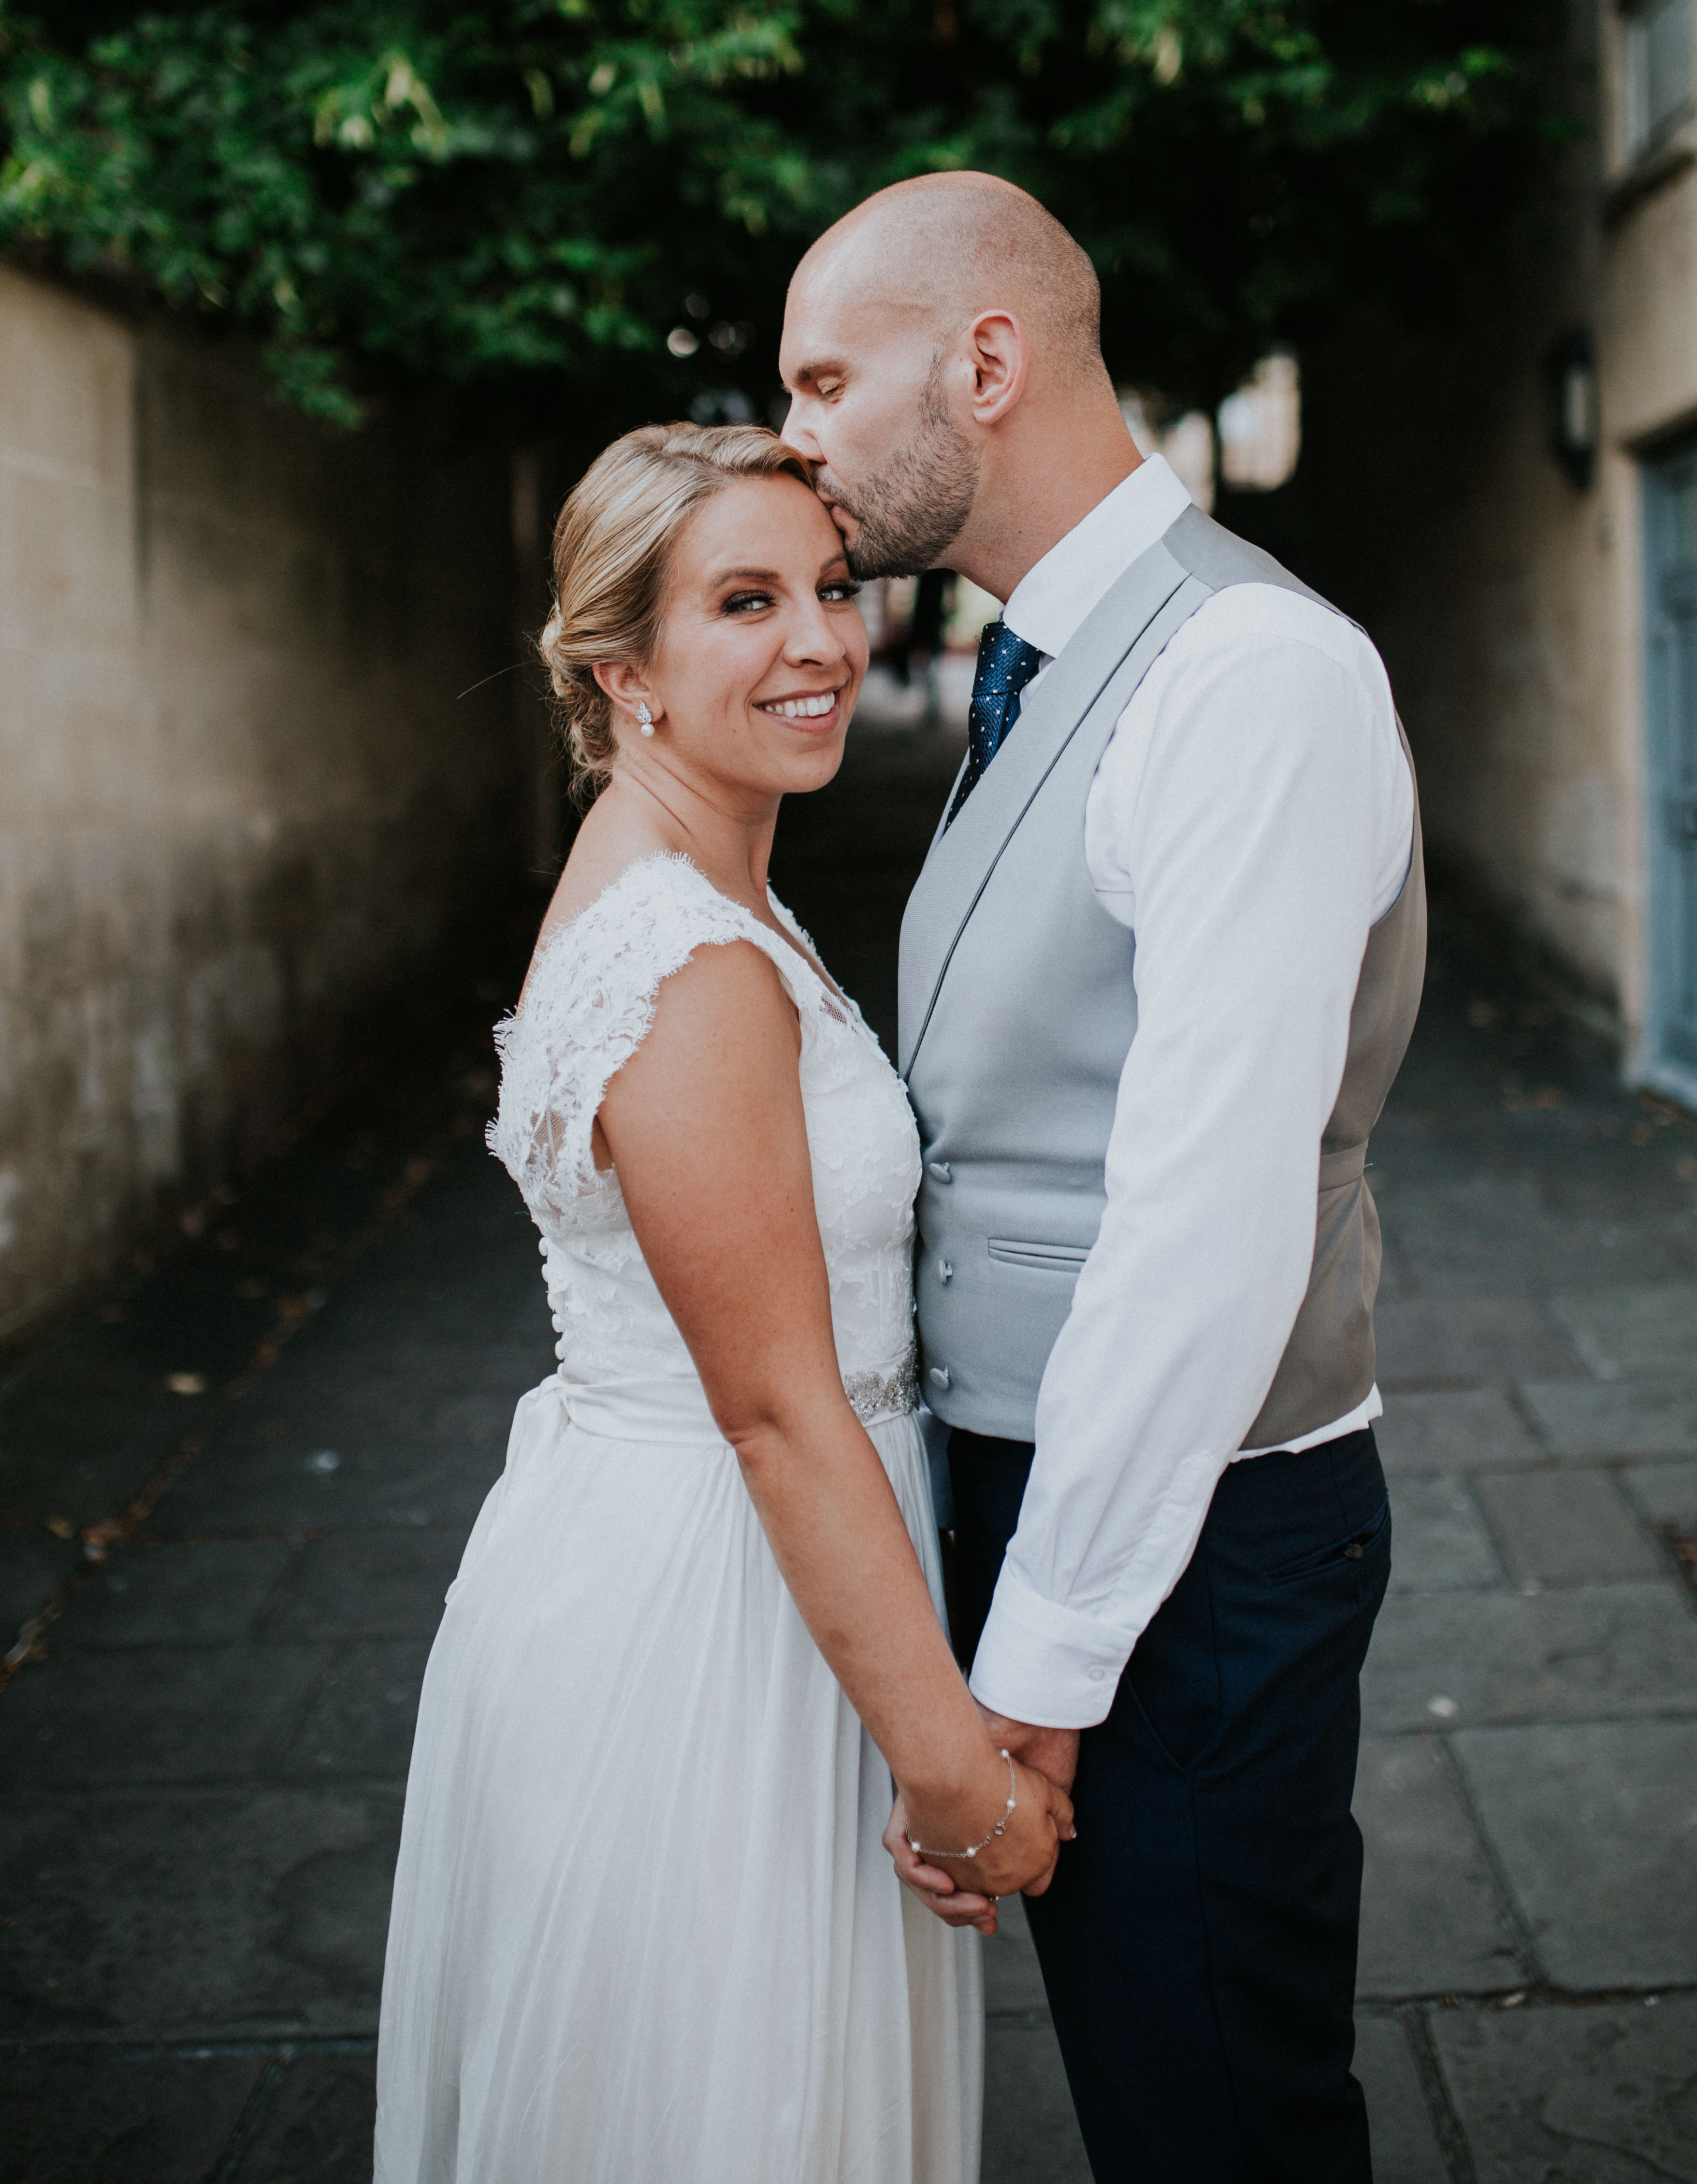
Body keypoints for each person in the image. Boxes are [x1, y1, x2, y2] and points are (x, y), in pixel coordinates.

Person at [778, 174, 1425, 2184]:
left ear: (984, 360)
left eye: (820, 375)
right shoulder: (1048, 659)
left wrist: (1042, 1671)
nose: (791, 432)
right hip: (1055, 1495)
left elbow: (1205, 1224)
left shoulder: (1248, 672)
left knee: (1219, 2118)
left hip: (1193, 1543)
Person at [373, 422, 1072, 2184]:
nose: (822, 643)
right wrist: (958, 1777)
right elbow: (775, 1406)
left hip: (729, 1560)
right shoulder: (686, 963)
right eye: (745, 603)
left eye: (831, 590)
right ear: (625, 668)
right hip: (718, 1618)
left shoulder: (698, 892)